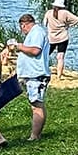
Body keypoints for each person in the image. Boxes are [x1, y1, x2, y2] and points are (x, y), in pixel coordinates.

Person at [10, 11, 52, 142]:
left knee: (36, 105)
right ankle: (36, 134)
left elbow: (35, 51)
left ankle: (34, 136)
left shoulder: (37, 32)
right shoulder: (35, 33)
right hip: (33, 74)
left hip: (37, 75)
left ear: (24, 25)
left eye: (21, 27)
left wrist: (19, 46)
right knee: (37, 104)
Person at [44, 0, 78, 74]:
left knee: (46, 55)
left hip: (51, 38)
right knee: (60, 57)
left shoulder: (49, 13)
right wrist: (68, 25)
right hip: (63, 37)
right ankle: (59, 75)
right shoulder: (65, 13)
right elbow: (77, 19)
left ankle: (44, 70)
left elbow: (44, 24)